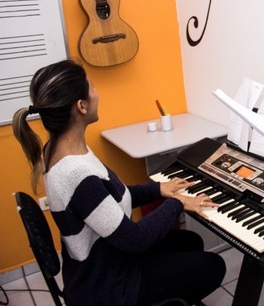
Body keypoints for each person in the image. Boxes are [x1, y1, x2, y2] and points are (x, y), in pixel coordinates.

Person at [12, 59, 226, 306]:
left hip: (104, 260)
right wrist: (177, 203)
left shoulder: (60, 148)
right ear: (81, 106)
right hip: (107, 285)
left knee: (191, 241)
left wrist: (157, 189)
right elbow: (135, 240)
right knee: (213, 266)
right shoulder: (75, 174)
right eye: (92, 87)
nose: (97, 93)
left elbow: (109, 197)